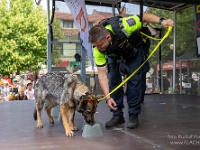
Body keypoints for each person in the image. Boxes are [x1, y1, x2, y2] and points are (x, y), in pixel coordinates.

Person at [88, 13, 174, 129]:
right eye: (96, 46)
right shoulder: (98, 49)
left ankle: (133, 115)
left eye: (100, 45)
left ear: (108, 37)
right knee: (114, 81)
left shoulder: (124, 26)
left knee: (134, 81)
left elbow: (143, 16)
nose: (98, 48)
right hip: (115, 55)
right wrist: (108, 97)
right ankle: (117, 116)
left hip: (133, 50)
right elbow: (102, 75)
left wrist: (162, 21)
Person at [140, 24, 157, 103]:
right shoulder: (132, 30)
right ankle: (134, 98)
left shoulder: (145, 31)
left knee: (142, 80)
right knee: (134, 80)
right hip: (133, 59)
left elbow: (154, 33)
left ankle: (140, 98)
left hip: (143, 59)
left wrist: (146, 24)